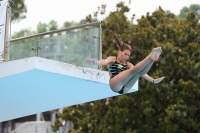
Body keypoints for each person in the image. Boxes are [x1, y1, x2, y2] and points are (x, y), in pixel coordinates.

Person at [86, 34, 165, 94]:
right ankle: (150, 56)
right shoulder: (113, 59)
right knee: (134, 70)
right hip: (115, 84)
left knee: (139, 73)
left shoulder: (128, 64)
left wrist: (153, 80)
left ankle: (153, 59)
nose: (126, 56)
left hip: (124, 89)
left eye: (128, 55)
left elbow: (143, 74)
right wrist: (95, 62)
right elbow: (104, 61)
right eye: (125, 54)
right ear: (119, 51)